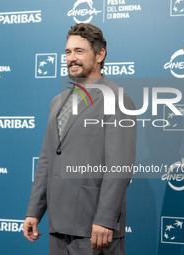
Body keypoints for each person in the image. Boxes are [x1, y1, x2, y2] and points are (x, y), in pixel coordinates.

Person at [23, 23, 137, 255]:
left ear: (100, 55)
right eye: (67, 52)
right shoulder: (57, 102)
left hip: (93, 228)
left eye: (79, 51)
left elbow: (120, 166)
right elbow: (46, 160)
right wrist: (34, 211)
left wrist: (105, 219)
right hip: (58, 226)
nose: (71, 58)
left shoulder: (117, 98)